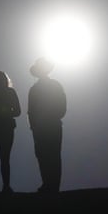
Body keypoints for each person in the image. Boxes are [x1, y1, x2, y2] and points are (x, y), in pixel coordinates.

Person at [28, 58, 66, 193]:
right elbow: (31, 111)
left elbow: (31, 111)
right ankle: (50, 185)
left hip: (46, 126)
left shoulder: (35, 89)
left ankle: (51, 185)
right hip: (48, 126)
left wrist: (34, 126)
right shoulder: (54, 85)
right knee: (48, 155)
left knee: (48, 155)